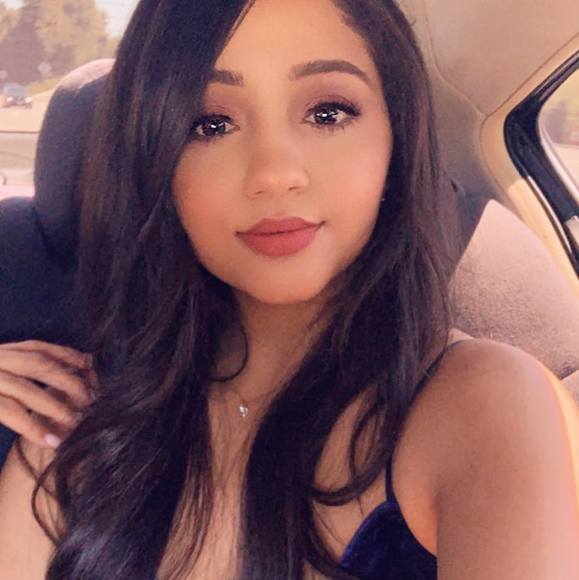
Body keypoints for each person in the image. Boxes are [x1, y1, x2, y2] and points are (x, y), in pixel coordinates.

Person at [0, 0, 578, 579]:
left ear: (395, 138)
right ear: (158, 164)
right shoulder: (73, 423)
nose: (274, 173)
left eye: (328, 113)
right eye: (210, 124)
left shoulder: (487, 408)